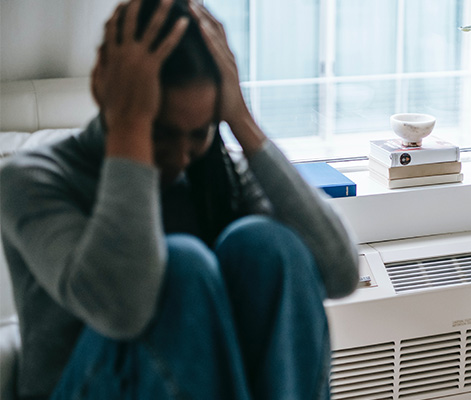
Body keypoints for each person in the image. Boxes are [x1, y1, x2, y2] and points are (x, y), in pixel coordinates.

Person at [0, 0, 359, 398]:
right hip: (80, 385)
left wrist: (242, 122)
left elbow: (340, 275)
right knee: (182, 265)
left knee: (268, 245)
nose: (179, 158)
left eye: (198, 134)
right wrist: (131, 126)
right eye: (161, 133)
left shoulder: (215, 173)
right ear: (106, 88)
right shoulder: (33, 179)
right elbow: (122, 309)